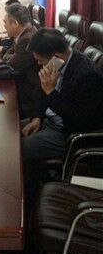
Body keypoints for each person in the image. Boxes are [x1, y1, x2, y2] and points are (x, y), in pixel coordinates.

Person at [22, 28, 103, 168]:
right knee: (10, 133)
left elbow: (80, 120)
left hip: (67, 133)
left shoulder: (87, 76)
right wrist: (37, 117)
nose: (39, 64)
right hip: (47, 121)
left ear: (57, 57)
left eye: (41, 61)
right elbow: (40, 93)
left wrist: (51, 92)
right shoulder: (57, 64)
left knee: (18, 148)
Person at [0, 3, 43, 118]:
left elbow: (10, 64)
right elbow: (8, 54)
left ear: (15, 23)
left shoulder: (28, 38)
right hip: (21, 85)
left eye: (5, 22)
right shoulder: (24, 34)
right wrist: (10, 55)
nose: (4, 26)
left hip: (27, 95)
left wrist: (10, 55)